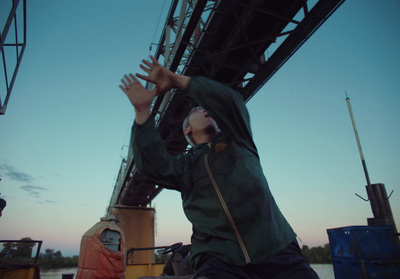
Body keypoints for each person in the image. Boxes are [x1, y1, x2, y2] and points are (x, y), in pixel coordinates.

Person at [119, 56, 319, 279]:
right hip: (219, 260)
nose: (207, 110)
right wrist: (142, 113)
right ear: (187, 132)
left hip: (277, 250)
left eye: (208, 109)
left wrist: (177, 80)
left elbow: (229, 102)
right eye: (197, 111)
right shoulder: (184, 167)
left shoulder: (239, 139)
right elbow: (153, 166)